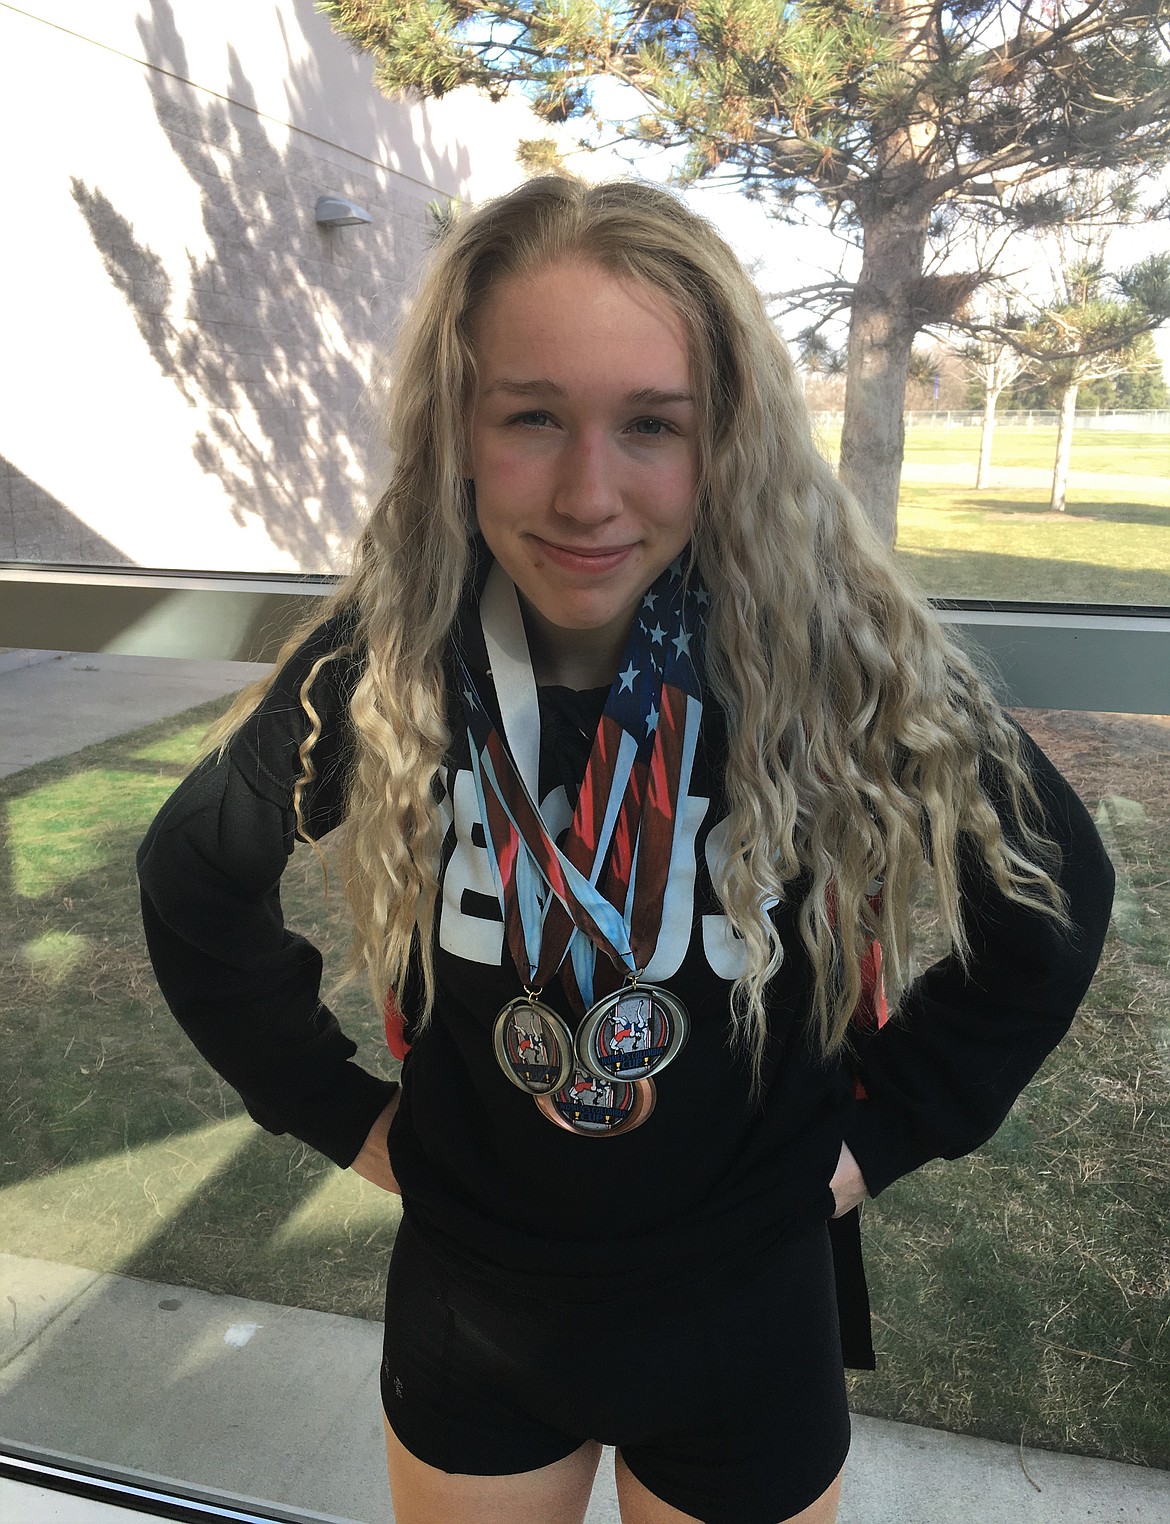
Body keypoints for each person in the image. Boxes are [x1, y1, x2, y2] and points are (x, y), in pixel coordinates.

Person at [138, 176, 1115, 1524]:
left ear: (729, 443)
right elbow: (193, 878)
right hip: (473, 1309)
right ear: (457, 433)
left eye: (652, 424)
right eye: (531, 416)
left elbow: (1051, 902)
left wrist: (881, 1141)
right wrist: (336, 1112)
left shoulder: (829, 652)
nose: (588, 493)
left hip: (744, 1313)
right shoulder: (396, 656)